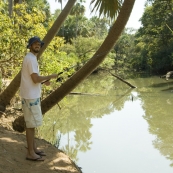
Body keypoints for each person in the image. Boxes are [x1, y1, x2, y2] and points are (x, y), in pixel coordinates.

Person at [20, 36, 58, 161]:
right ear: (30, 46)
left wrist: (43, 81)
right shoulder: (31, 59)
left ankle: (33, 149)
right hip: (31, 97)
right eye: (34, 43)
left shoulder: (31, 58)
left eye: (39, 44)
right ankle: (30, 153)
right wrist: (50, 76)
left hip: (30, 95)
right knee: (31, 125)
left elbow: (33, 79)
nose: (37, 45)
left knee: (32, 123)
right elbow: (35, 79)